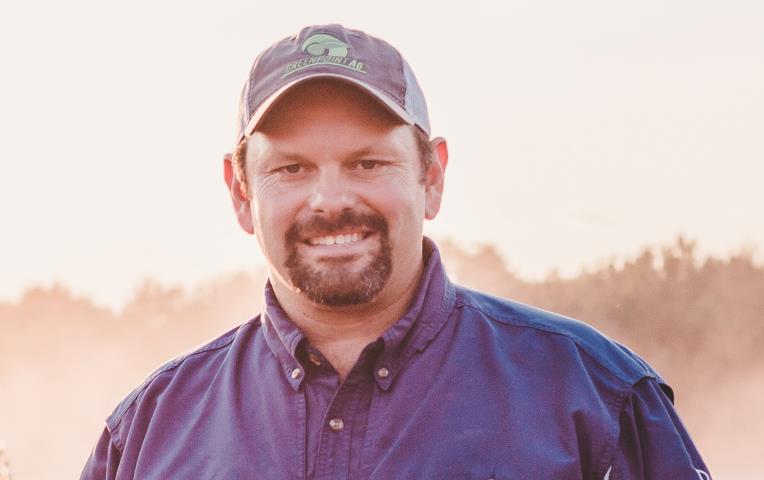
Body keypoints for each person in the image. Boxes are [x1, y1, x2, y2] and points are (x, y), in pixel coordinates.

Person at [80, 24, 710, 479]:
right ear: (240, 192)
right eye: (292, 169)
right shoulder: (145, 435)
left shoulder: (596, 399)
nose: (329, 199)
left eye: (367, 162)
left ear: (431, 176)